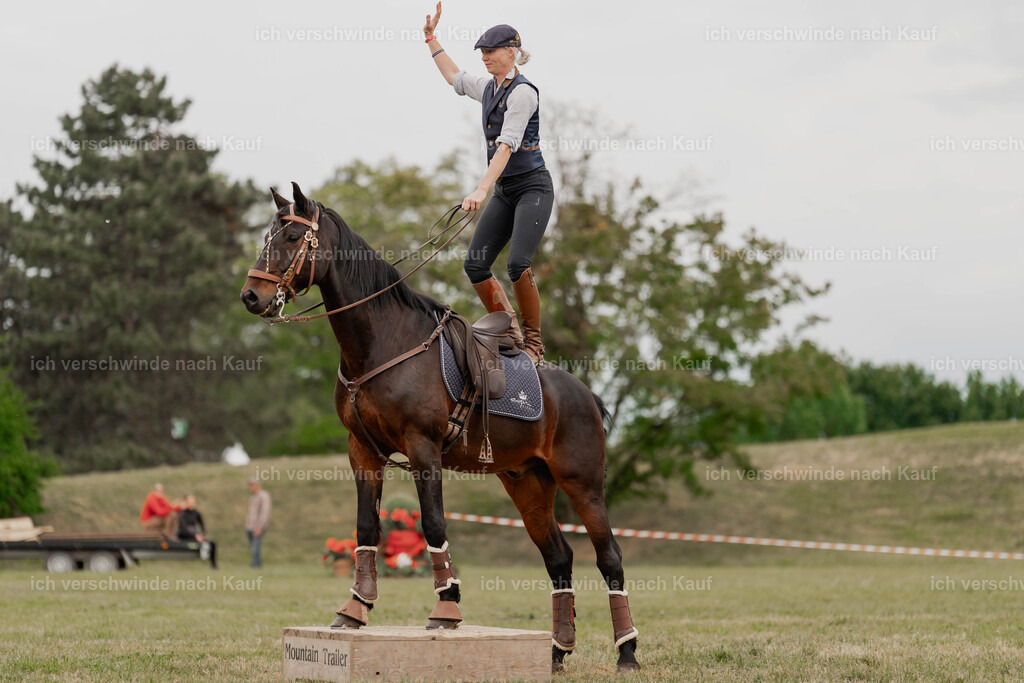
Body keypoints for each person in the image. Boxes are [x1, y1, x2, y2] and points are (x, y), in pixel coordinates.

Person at [425, 3, 554, 365]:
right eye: (481, 52)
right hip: (506, 191)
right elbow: (454, 76)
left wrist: (481, 189)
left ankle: (534, 345)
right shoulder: (489, 87)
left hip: (532, 188)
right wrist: (431, 40)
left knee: (517, 264)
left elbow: (506, 147)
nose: (484, 57)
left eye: (490, 52)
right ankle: (511, 336)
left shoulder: (523, 94)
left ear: (511, 53)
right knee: (476, 265)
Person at [245, 478, 271, 568]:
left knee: (256, 547)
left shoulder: (263, 496)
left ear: (258, 485)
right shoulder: (253, 497)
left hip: (258, 527)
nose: (252, 487)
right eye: (251, 485)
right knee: (253, 547)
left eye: (253, 485)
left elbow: (264, 512)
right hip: (250, 526)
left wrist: (260, 526)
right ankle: (257, 564)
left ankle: (256, 565)